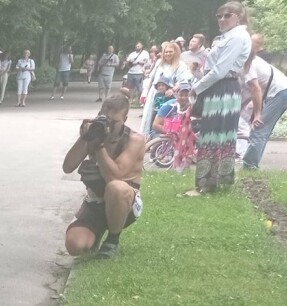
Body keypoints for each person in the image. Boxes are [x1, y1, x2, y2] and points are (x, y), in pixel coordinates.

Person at [62, 94, 145, 259]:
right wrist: (85, 138)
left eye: (113, 121)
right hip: (96, 202)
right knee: (74, 246)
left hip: (125, 201)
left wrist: (99, 146)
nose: (108, 125)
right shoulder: (95, 132)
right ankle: (95, 234)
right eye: (104, 118)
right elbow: (68, 167)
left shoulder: (135, 140)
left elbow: (114, 176)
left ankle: (112, 240)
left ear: (125, 118)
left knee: (116, 187)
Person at [188, 1, 251, 195]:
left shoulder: (237, 37)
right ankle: (211, 183)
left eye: (227, 15)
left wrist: (196, 87)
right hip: (221, 87)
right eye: (219, 16)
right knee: (214, 133)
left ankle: (207, 185)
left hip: (223, 87)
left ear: (238, 17)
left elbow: (220, 70)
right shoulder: (229, 36)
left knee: (215, 133)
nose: (222, 19)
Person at [242, 32, 287, 170]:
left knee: (259, 127)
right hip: (282, 91)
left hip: (281, 92)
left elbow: (256, 89)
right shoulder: (249, 60)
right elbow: (251, 91)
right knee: (261, 129)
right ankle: (250, 164)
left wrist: (258, 114)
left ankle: (250, 166)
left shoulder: (248, 63)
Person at [140, 42, 192, 136]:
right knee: (151, 115)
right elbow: (152, 78)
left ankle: (164, 138)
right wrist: (145, 94)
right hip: (155, 93)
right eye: (166, 52)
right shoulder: (159, 63)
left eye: (170, 52)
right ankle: (148, 136)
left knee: (164, 116)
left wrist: (173, 89)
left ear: (175, 52)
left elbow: (183, 80)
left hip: (169, 95)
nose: (168, 54)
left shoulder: (181, 65)